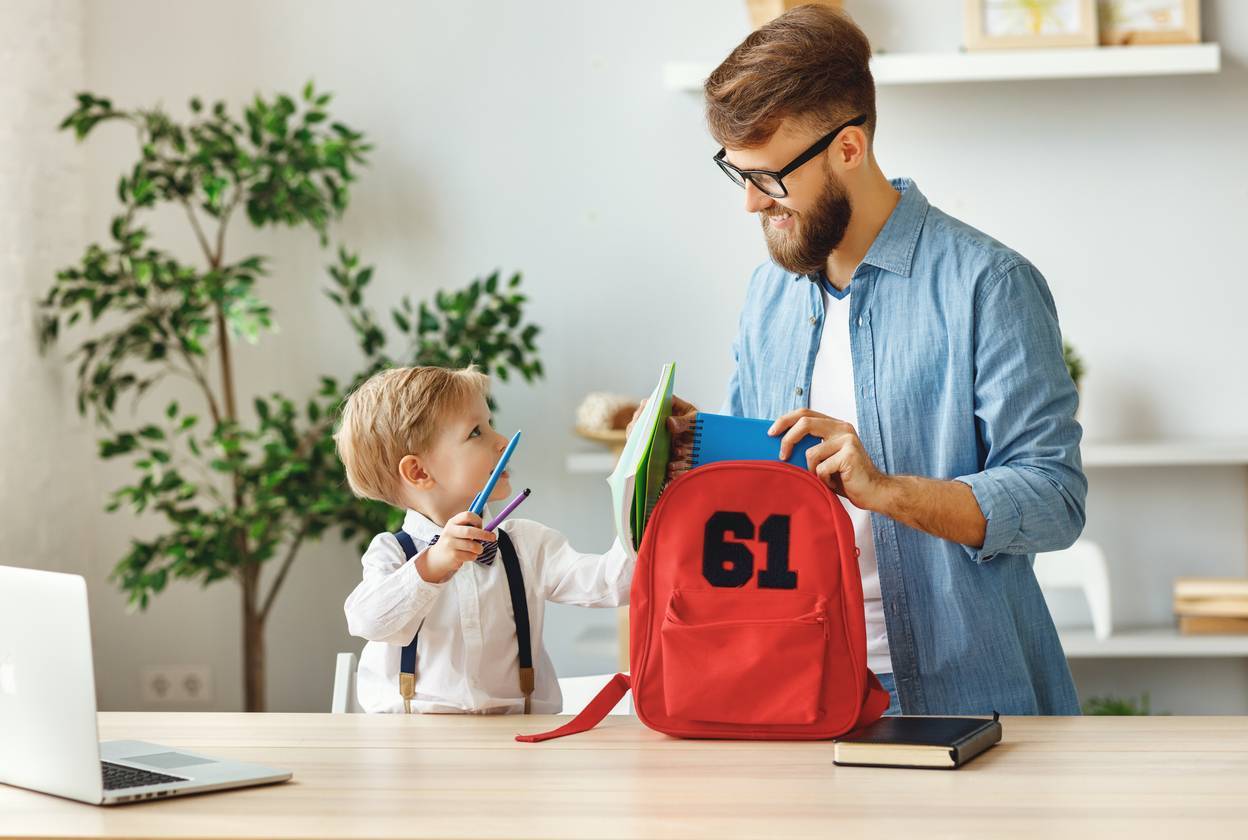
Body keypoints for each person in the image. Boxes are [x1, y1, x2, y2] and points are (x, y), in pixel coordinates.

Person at [668, 5, 1086, 715]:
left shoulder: (988, 284)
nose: (748, 204)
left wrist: (885, 489)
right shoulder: (767, 295)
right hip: (793, 686)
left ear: (848, 149)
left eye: (769, 179)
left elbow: (1054, 500)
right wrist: (695, 461)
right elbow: (762, 501)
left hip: (964, 697)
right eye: (735, 173)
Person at [337, 366, 632, 713]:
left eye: (490, 423)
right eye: (476, 432)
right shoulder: (391, 553)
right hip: (411, 749)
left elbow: (617, 583)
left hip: (516, 745)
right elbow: (368, 621)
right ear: (418, 472)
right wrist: (431, 566)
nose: (502, 441)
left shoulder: (526, 545)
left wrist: (638, 483)